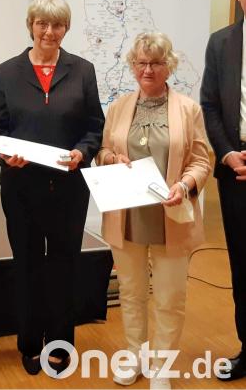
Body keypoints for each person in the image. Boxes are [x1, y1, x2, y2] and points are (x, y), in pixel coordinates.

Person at [0, 0, 104, 376]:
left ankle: (60, 341)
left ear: (65, 28)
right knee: (28, 265)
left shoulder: (83, 70)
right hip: (22, 187)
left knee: (65, 265)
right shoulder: (6, 72)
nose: (49, 31)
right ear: (31, 26)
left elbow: (94, 126)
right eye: (42, 23)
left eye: (57, 24)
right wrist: (6, 156)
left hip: (69, 187)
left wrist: (83, 152)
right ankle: (28, 342)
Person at [98, 32, 210, 389]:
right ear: (132, 66)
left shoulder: (188, 109)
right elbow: (102, 153)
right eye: (142, 62)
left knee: (169, 297)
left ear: (169, 66)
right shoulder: (118, 107)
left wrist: (185, 186)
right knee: (131, 293)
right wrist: (112, 158)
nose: (148, 69)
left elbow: (201, 160)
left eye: (156, 62)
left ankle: (162, 367)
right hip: (127, 216)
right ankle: (133, 357)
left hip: (172, 217)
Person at [200, 0, 246, 383]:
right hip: (236, 173)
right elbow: (210, 105)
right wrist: (228, 153)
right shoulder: (221, 43)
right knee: (241, 267)